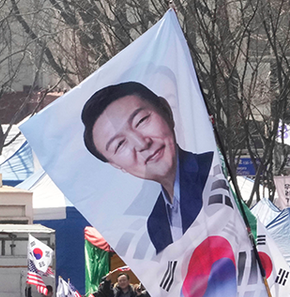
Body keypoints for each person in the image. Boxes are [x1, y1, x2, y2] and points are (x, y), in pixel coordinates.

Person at [81, 81, 219, 254]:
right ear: (116, 165)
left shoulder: (215, 177)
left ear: (166, 111)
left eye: (141, 121)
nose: (141, 144)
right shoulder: (155, 222)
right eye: (120, 144)